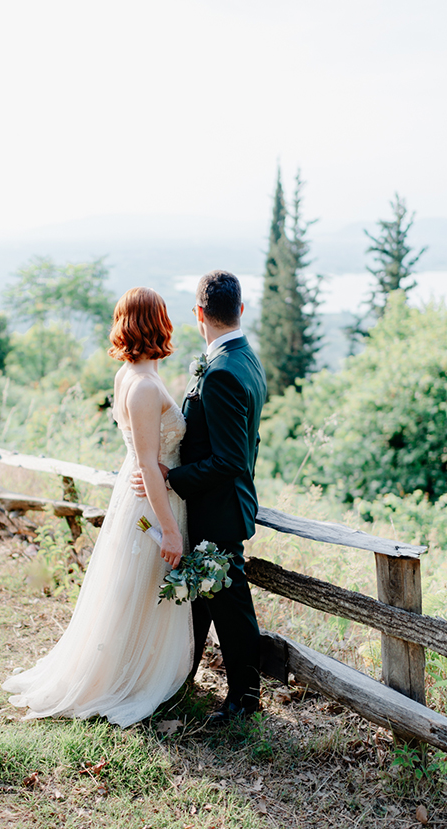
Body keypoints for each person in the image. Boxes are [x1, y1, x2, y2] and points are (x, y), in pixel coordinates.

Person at [2, 287, 192, 728]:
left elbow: (137, 450)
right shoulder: (143, 385)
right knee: (139, 587)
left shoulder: (131, 374)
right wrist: (170, 530)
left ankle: (128, 665)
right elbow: (145, 461)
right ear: (158, 323)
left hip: (141, 492)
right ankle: (124, 677)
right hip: (151, 501)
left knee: (133, 588)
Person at [133, 270, 267, 722]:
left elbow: (230, 459)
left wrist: (174, 478)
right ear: (240, 310)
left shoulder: (224, 372)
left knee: (230, 606)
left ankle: (245, 699)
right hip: (222, 503)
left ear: (198, 313)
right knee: (207, 598)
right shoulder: (246, 358)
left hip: (219, 507)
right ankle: (183, 676)